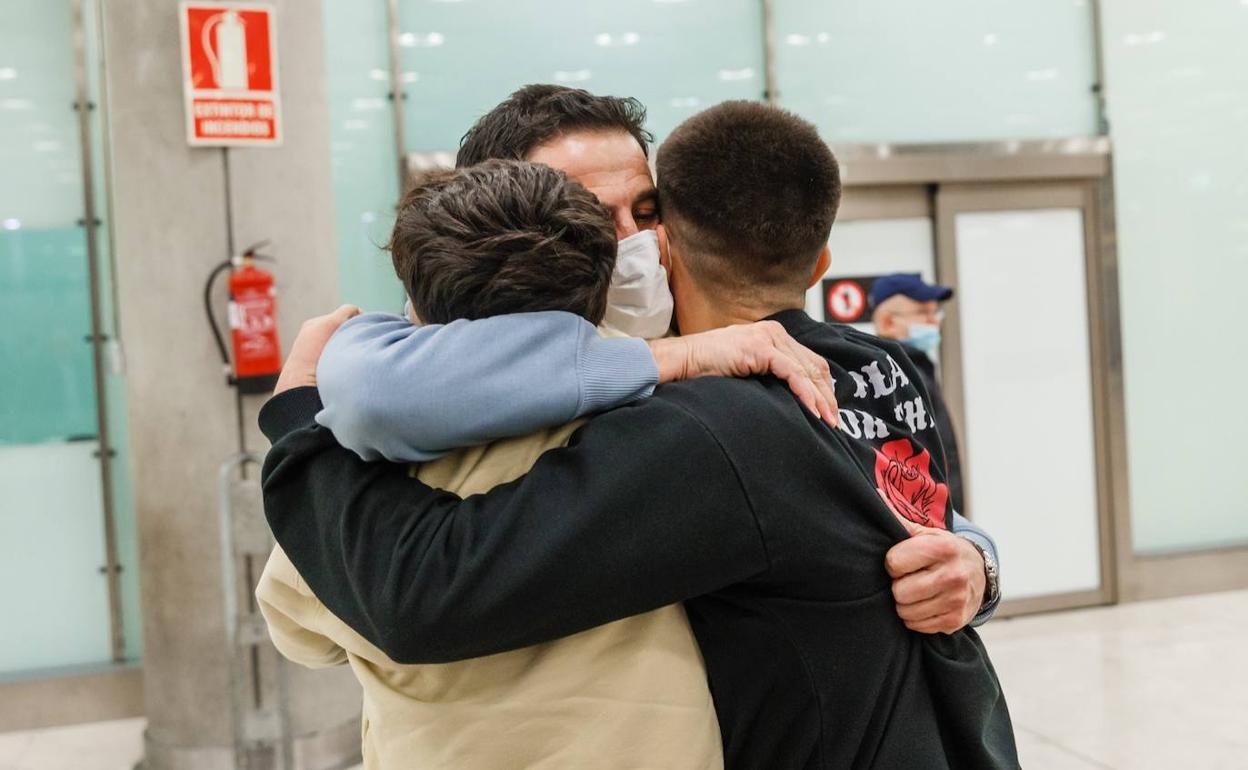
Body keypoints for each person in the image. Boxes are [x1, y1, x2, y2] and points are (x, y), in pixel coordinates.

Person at [260, 101, 1018, 767]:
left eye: (647, 211)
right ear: (505, 224)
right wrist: (303, 419)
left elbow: (891, 489)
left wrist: (976, 563)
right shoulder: (417, 432)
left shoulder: (753, 379)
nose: (633, 244)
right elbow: (376, 600)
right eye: (590, 217)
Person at [259, 159, 749, 768]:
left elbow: (299, 631)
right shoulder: (673, 418)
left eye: (646, 214)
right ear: (600, 282)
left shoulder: (355, 477)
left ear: (416, 306)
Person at [870, 273, 964, 511]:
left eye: (935, 313)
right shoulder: (892, 379)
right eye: (923, 314)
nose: (934, 322)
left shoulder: (918, 369)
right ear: (887, 322)